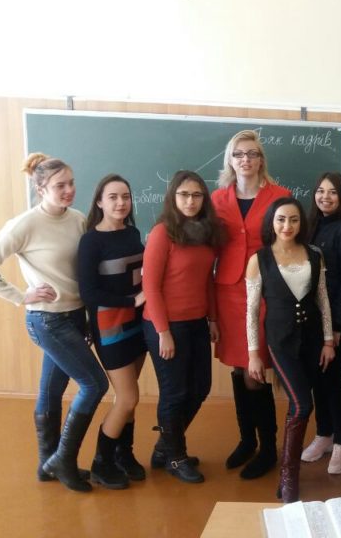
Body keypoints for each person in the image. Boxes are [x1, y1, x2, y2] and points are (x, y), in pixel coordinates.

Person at [0, 153, 108, 493]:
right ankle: (63, 459)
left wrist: (89, 316)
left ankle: (47, 464)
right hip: (48, 319)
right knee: (94, 385)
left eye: (71, 183)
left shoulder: (77, 219)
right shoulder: (24, 225)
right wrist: (21, 296)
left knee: (51, 391)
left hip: (75, 316)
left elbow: (83, 272)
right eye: (60, 186)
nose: (69, 190)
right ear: (41, 188)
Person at [211, 130, 290, 480]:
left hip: (265, 291)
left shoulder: (279, 196)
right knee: (237, 367)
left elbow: (288, 244)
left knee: (255, 370)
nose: (245, 159)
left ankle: (268, 447)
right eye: (239, 154)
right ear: (230, 159)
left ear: (261, 160)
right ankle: (247, 440)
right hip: (227, 292)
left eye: (252, 153)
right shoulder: (217, 199)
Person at [244, 197, 334, 503]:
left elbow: (323, 299)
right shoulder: (259, 259)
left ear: (301, 223)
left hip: (312, 340)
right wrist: (254, 353)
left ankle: (289, 473)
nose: (287, 225)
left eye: (294, 219)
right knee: (302, 404)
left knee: (302, 403)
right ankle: (288, 477)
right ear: (272, 222)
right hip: (280, 342)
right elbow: (251, 311)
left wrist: (328, 340)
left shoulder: (314, 255)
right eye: (281, 219)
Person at [142, 170, 224, 484]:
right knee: (174, 393)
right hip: (166, 326)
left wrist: (213, 318)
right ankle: (176, 457)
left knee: (200, 388)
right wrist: (163, 332)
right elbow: (150, 286)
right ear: (173, 197)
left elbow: (208, 281)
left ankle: (165, 446)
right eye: (184, 195)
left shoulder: (206, 233)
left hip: (197, 323)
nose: (190, 201)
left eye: (196, 195)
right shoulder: (163, 233)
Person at [76, 174, 148, 489]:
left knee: (129, 397)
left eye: (125, 197)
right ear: (100, 202)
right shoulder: (91, 241)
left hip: (137, 325)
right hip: (110, 328)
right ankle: (101, 462)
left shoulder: (133, 233)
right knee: (128, 398)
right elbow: (89, 293)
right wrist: (131, 301)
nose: (121, 203)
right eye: (113, 197)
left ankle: (124, 454)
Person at [301, 173, 341, 474]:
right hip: (312, 319)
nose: (325, 197)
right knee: (317, 378)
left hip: (339, 320)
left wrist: (336, 326)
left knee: (334, 379)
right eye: (320, 191)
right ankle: (324, 434)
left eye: (333, 192)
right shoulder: (309, 227)